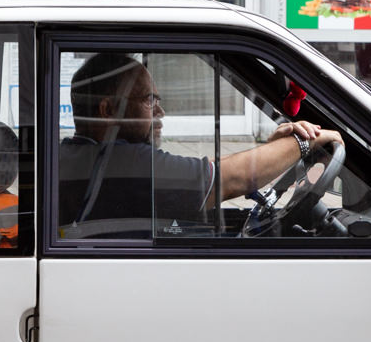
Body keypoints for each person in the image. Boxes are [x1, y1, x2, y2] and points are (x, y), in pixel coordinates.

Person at [58, 53, 343, 230]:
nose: (160, 111)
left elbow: (216, 171)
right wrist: (305, 141)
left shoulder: (74, 155)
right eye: (149, 100)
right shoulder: (122, 163)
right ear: (108, 110)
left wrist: (273, 149)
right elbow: (232, 178)